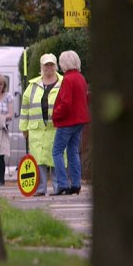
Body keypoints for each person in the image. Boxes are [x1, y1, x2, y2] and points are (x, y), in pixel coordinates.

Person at [19, 53, 64, 196]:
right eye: (46, 65)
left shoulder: (63, 83)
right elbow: (25, 108)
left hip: (56, 128)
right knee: (38, 160)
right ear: (41, 67)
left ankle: (58, 188)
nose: (49, 68)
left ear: (56, 66)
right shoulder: (32, 86)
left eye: (51, 65)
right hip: (37, 129)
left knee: (57, 159)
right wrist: (23, 128)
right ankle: (40, 189)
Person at [51, 50, 90, 195]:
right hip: (80, 120)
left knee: (57, 152)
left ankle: (62, 184)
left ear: (63, 63)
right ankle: (76, 183)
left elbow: (66, 103)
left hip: (67, 121)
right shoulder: (81, 78)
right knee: (73, 152)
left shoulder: (67, 79)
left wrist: (55, 114)